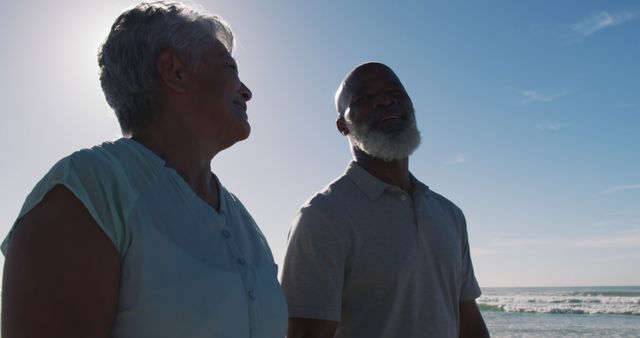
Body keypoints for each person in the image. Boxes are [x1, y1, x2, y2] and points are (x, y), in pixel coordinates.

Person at [1, 2, 287, 338]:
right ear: (174, 71)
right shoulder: (89, 191)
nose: (246, 91)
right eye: (230, 69)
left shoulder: (243, 220)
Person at [281, 62, 490, 338]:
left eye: (395, 92)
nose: (384, 101)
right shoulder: (322, 217)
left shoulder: (449, 214)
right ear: (342, 125)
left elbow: (468, 319)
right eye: (365, 98)